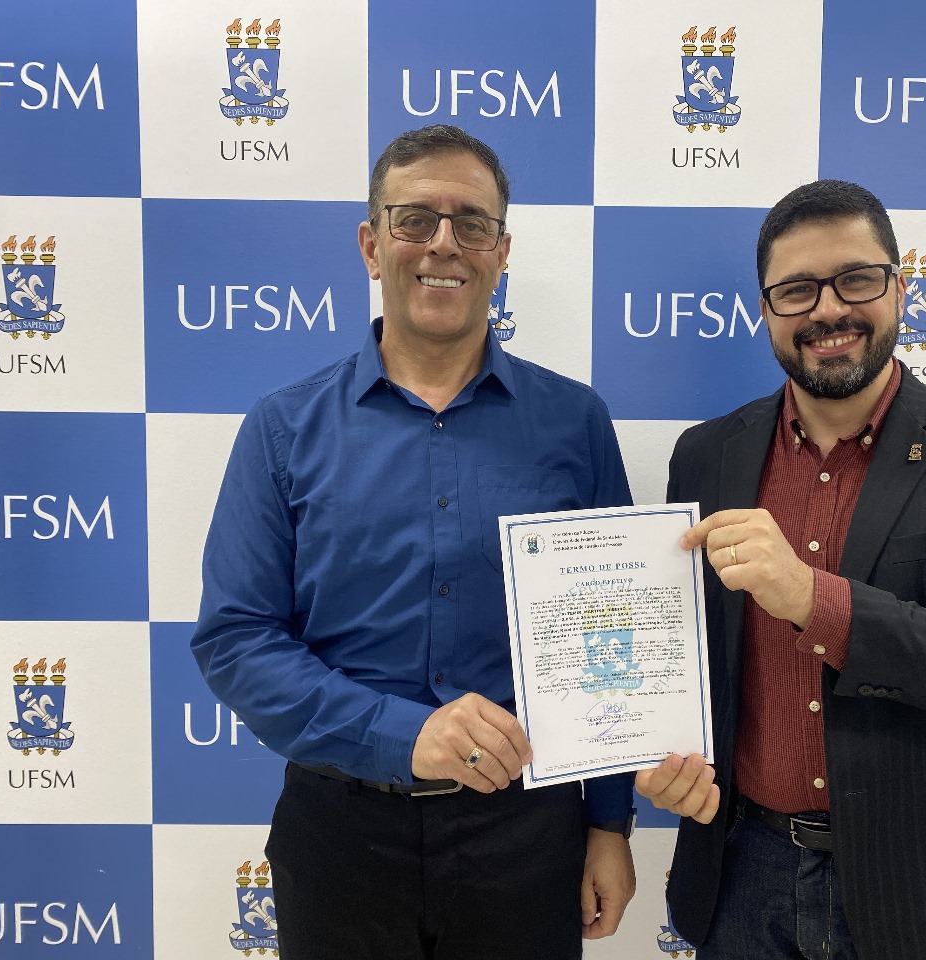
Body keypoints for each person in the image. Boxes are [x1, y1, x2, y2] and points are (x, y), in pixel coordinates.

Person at [191, 124, 637, 960]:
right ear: (371, 244)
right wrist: (403, 735)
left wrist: (610, 823)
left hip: (526, 836)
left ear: (501, 253)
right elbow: (237, 639)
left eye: (472, 223)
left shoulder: (575, 423)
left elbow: (606, 639)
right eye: (415, 219)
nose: (444, 243)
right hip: (341, 840)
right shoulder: (283, 429)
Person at [636, 180, 926, 960]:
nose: (828, 310)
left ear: (901, 289)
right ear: (766, 310)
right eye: (797, 291)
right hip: (744, 877)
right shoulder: (706, 454)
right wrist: (660, 750)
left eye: (856, 280)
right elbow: (687, 654)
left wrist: (812, 598)